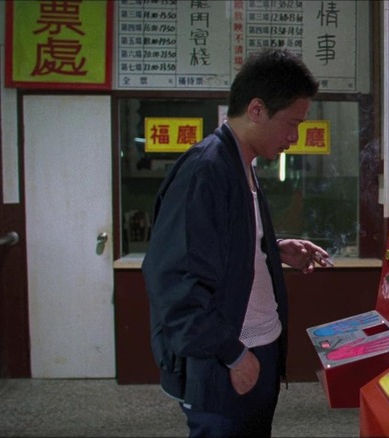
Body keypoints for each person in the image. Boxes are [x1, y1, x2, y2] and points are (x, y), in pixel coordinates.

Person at [141, 47, 332, 437]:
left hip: (256, 347)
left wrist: (273, 251)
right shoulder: (206, 170)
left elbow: (220, 249)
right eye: (291, 123)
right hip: (224, 357)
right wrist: (232, 353)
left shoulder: (241, 165)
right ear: (257, 109)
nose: (294, 138)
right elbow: (173, 283)